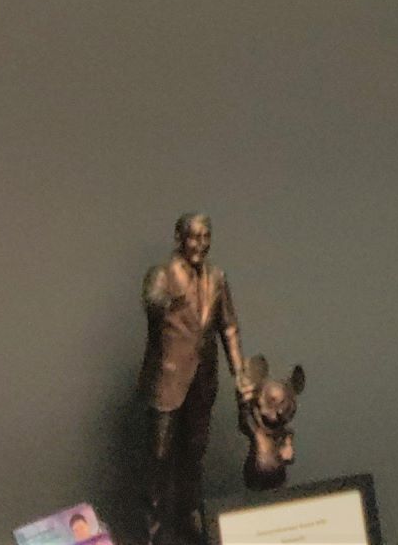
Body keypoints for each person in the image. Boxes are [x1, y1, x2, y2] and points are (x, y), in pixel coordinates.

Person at [138, 213, 252, 545]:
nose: (200, 244)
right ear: (179, 238)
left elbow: (228, 327)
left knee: (194, 454)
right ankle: (154, 531)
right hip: (167, 381)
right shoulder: (161, 275)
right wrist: (160, 303)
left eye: (206, 237)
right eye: (193, 237)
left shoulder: (217, 277)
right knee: (159, 457)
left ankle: (191, 521)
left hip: (203, 381)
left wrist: (239, 372)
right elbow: (151, 302)